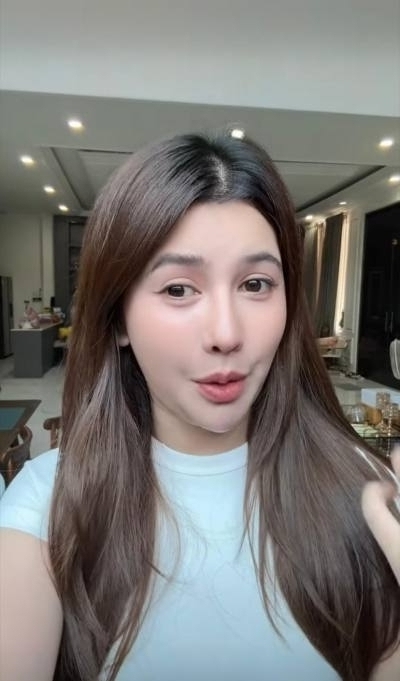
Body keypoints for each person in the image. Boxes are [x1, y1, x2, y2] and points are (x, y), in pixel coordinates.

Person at [0, 132, 399, 681]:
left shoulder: (370, 495)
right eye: (178, 290)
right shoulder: (46, 508)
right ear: (118, 318)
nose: (226, 334)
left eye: (255, 284)